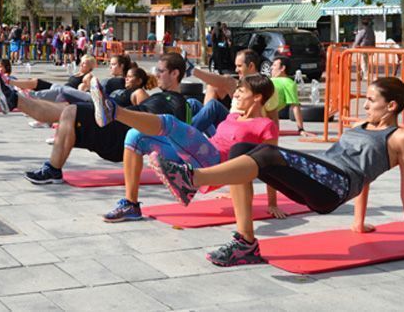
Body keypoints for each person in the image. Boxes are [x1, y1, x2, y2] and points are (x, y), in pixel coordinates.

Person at [150, 77, 404, 266]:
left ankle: (193, 179)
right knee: (243, 150)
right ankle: (245, 244)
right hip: (320, 175)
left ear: (391, 106)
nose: (364, 104)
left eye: (371, 100)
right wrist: (359, 222)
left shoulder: (402, 138)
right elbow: (368, 178)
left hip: (334, 186)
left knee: (266, 153)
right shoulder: (361, 126)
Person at [93, 74, 280, 223]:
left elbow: (271, 164)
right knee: (135, 136)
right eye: (237, 89)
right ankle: (131, 205)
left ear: (257, 97)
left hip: (213, 163)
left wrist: (272, 203)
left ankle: (114, 111)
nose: (236, 94)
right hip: (197, 156)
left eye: (242, 91)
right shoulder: (233, 117)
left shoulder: (265, 125)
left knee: (169, 122)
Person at [0, 53, 190, 183]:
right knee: (66, 111)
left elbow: (169, 133)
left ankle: (52, 169)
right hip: (115, 124)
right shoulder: (157, 95)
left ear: (175, 74)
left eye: (161, 71)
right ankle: (13, 99)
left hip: (123, 136)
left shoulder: (178, 103)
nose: (156, 74)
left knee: (70, 110)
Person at [270, 57, 315, 137]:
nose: (271, 67)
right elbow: (295, 106)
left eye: (274, 65)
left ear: (282, 68)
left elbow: (295, 107)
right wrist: (301, 129)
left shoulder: (288, 83)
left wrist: (301, 129)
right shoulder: (269, 80)